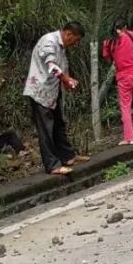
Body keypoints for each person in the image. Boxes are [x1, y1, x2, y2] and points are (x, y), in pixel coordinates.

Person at [24, 22, 87, 176]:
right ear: (68, 34)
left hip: (52, 91)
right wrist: (66, 79)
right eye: (75, 40)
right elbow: (51, 65)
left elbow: (60, 66)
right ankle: (52, 165)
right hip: (40, 91)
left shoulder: (61, 46)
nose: (75, 43)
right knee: (46, 129)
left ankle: (68, 156)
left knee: (59, 124)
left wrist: (66, 80)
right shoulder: (49, 41)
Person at [102, 20, 133, 146]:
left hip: (124, 76)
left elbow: (108, 59)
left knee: (125, 107)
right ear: (124, 27)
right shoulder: (129, 34)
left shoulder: (107, 43)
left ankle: (130, 138)